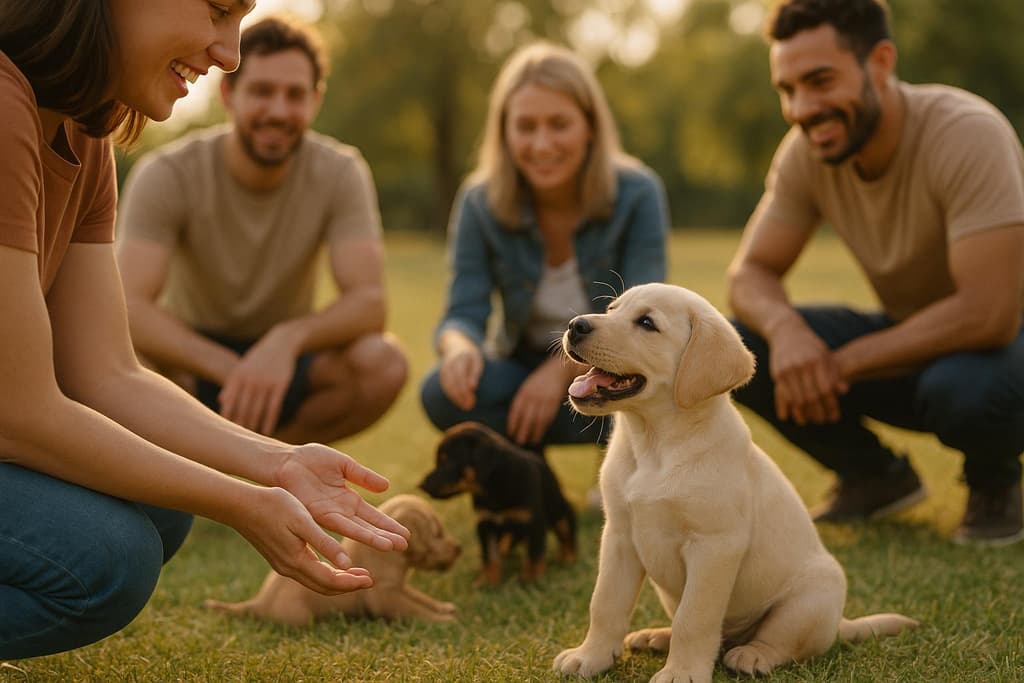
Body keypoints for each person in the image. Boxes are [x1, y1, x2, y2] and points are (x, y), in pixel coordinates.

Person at [0, 1, 409, 660]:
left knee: (162, 509)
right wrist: (243, 502)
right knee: (110, 557)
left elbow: (107, 373)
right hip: (35, 407)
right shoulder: (4, 101)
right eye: (219, 10)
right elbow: (17, 412)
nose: (230, 51)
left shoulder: (86, 132)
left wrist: (277, 466)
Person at [727, 0, 1024, 545]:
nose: (801, 108)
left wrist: (840, 364)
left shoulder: (967, 133)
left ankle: (995, 481)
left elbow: (992, 312)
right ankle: (874, 476)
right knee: (742, 344)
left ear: (881, 62)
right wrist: (791, 336)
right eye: (787, 89)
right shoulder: (805, 153)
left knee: (963, 389)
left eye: (819, 81)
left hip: (1003, 347)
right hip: (911, 338)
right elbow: (750, 273)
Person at [117, 17, 407, 444]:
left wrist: (287, 340)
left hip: (287, 365)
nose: (278, 110)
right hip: (187, 364)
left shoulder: (341, 170)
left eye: (294, 95)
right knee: (123, 359)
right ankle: (201, 455)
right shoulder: (168, 171)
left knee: (383, 363)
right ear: (229, 94)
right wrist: (228, 367)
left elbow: (368, 303)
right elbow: (127, 304)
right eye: (262, 91)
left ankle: (276, 462)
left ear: (315, 100)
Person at [419, 42, 669, 455]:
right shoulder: (479, 201)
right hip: (518, 363)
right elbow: (462, 313)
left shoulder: (637, 192)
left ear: (589, 127)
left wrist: (558, 374)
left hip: (615, 365)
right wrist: (459, 351)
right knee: (440, 393)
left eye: (559, 124)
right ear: (505, 132)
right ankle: (526, 465)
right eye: (526, 126)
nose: (542, 143)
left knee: (661, 382)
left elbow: (641, 315)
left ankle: (619, 454)